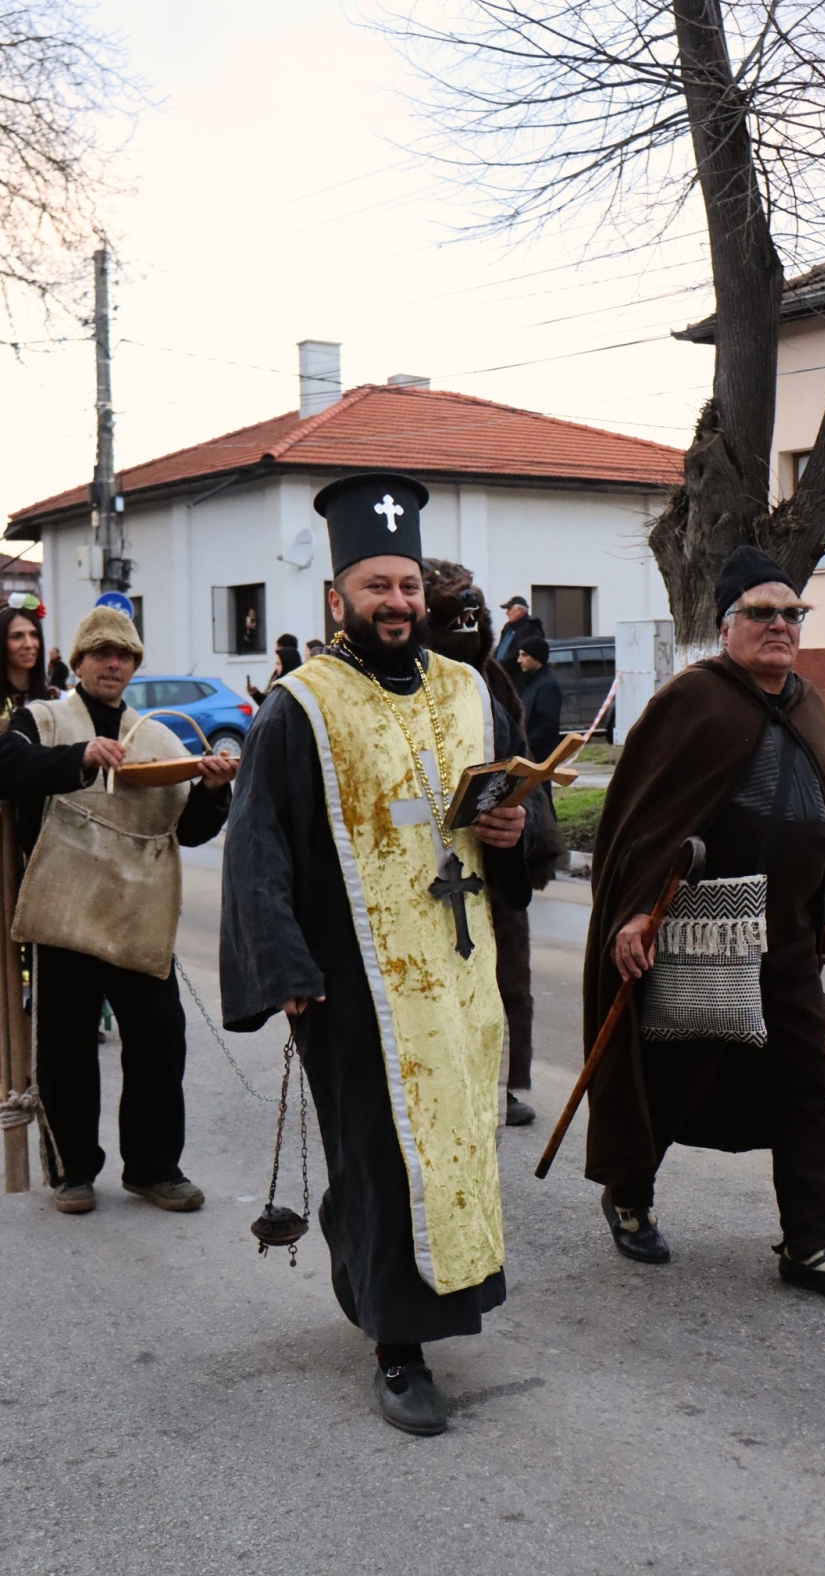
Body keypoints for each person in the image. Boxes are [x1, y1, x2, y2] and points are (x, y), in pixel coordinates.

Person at [220, 473, 530, 1437]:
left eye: (407, 586)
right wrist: (285, 969)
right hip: (354, 979)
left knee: (454, 1141)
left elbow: (516, 807)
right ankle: (398, 1349)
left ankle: (420, 1287)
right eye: (376, 587)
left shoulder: (470, 691)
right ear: (337, 599)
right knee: (381, 1156)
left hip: (460, 970)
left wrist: (517, 829)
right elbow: (257, 845)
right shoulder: (300, 707)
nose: (396, 603)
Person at [583, 545, 825, 1303]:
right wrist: (635, 912)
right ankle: (629, 1194)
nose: (781, 625)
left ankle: (810, 1246)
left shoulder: (809, 705)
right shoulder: (695, 700)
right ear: (727, 626)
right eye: (763, 613)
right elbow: (645, 822)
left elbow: (824, 819)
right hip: (702, 931)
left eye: (793, 613)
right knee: (675, 1076)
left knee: (807, 1086)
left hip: (785, 937)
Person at [0, 606, 236, 1215]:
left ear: (134, 665)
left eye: (124, 655)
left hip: (137, 913)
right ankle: (73, 1173)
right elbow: (7, 768)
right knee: (65, 1049)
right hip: (64, 911)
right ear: (78, 662)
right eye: (101, 653)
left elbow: (188, 831)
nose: (113, 663)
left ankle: (153, 1169)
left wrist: (213, 790)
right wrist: (80, 755)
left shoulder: (158, 737)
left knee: (161, 1039)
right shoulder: (43, 720)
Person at [422, 559, 567, 1130]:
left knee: (505, 974)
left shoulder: (494, 681)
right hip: (421, 859)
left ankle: (502, 1081)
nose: (465, 629)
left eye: (471, 620)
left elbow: (520, 767)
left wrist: (523, 827)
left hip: (491, 857)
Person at [0, 601, 55, 1190]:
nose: (27, 644)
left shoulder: (48, 702)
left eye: (32, 635)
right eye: (17, 636)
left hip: (40, 849)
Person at [517, 636, 563, 764]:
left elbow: (547, 725)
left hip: (538, 758)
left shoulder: (547, 686)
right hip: (529, 756)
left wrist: (526, 745)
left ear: (537, 657)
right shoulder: (531, 683)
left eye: (524, 655)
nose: (519, 660)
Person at [494, 596, 545, 689]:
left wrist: (499, 665)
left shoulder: (530, 627)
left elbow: (519, 653)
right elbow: (500, 647)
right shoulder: (508, 627)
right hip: (503, 677)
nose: (507, 613)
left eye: (509, 609)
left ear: (520, 610)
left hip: (519, 680)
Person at [247, 640, 301, 705]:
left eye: (278, 664)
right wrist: (256, 694)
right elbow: (267, 705)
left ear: (287, 664)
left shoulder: (291, 690)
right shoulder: (278, 683)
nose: (276, 668)